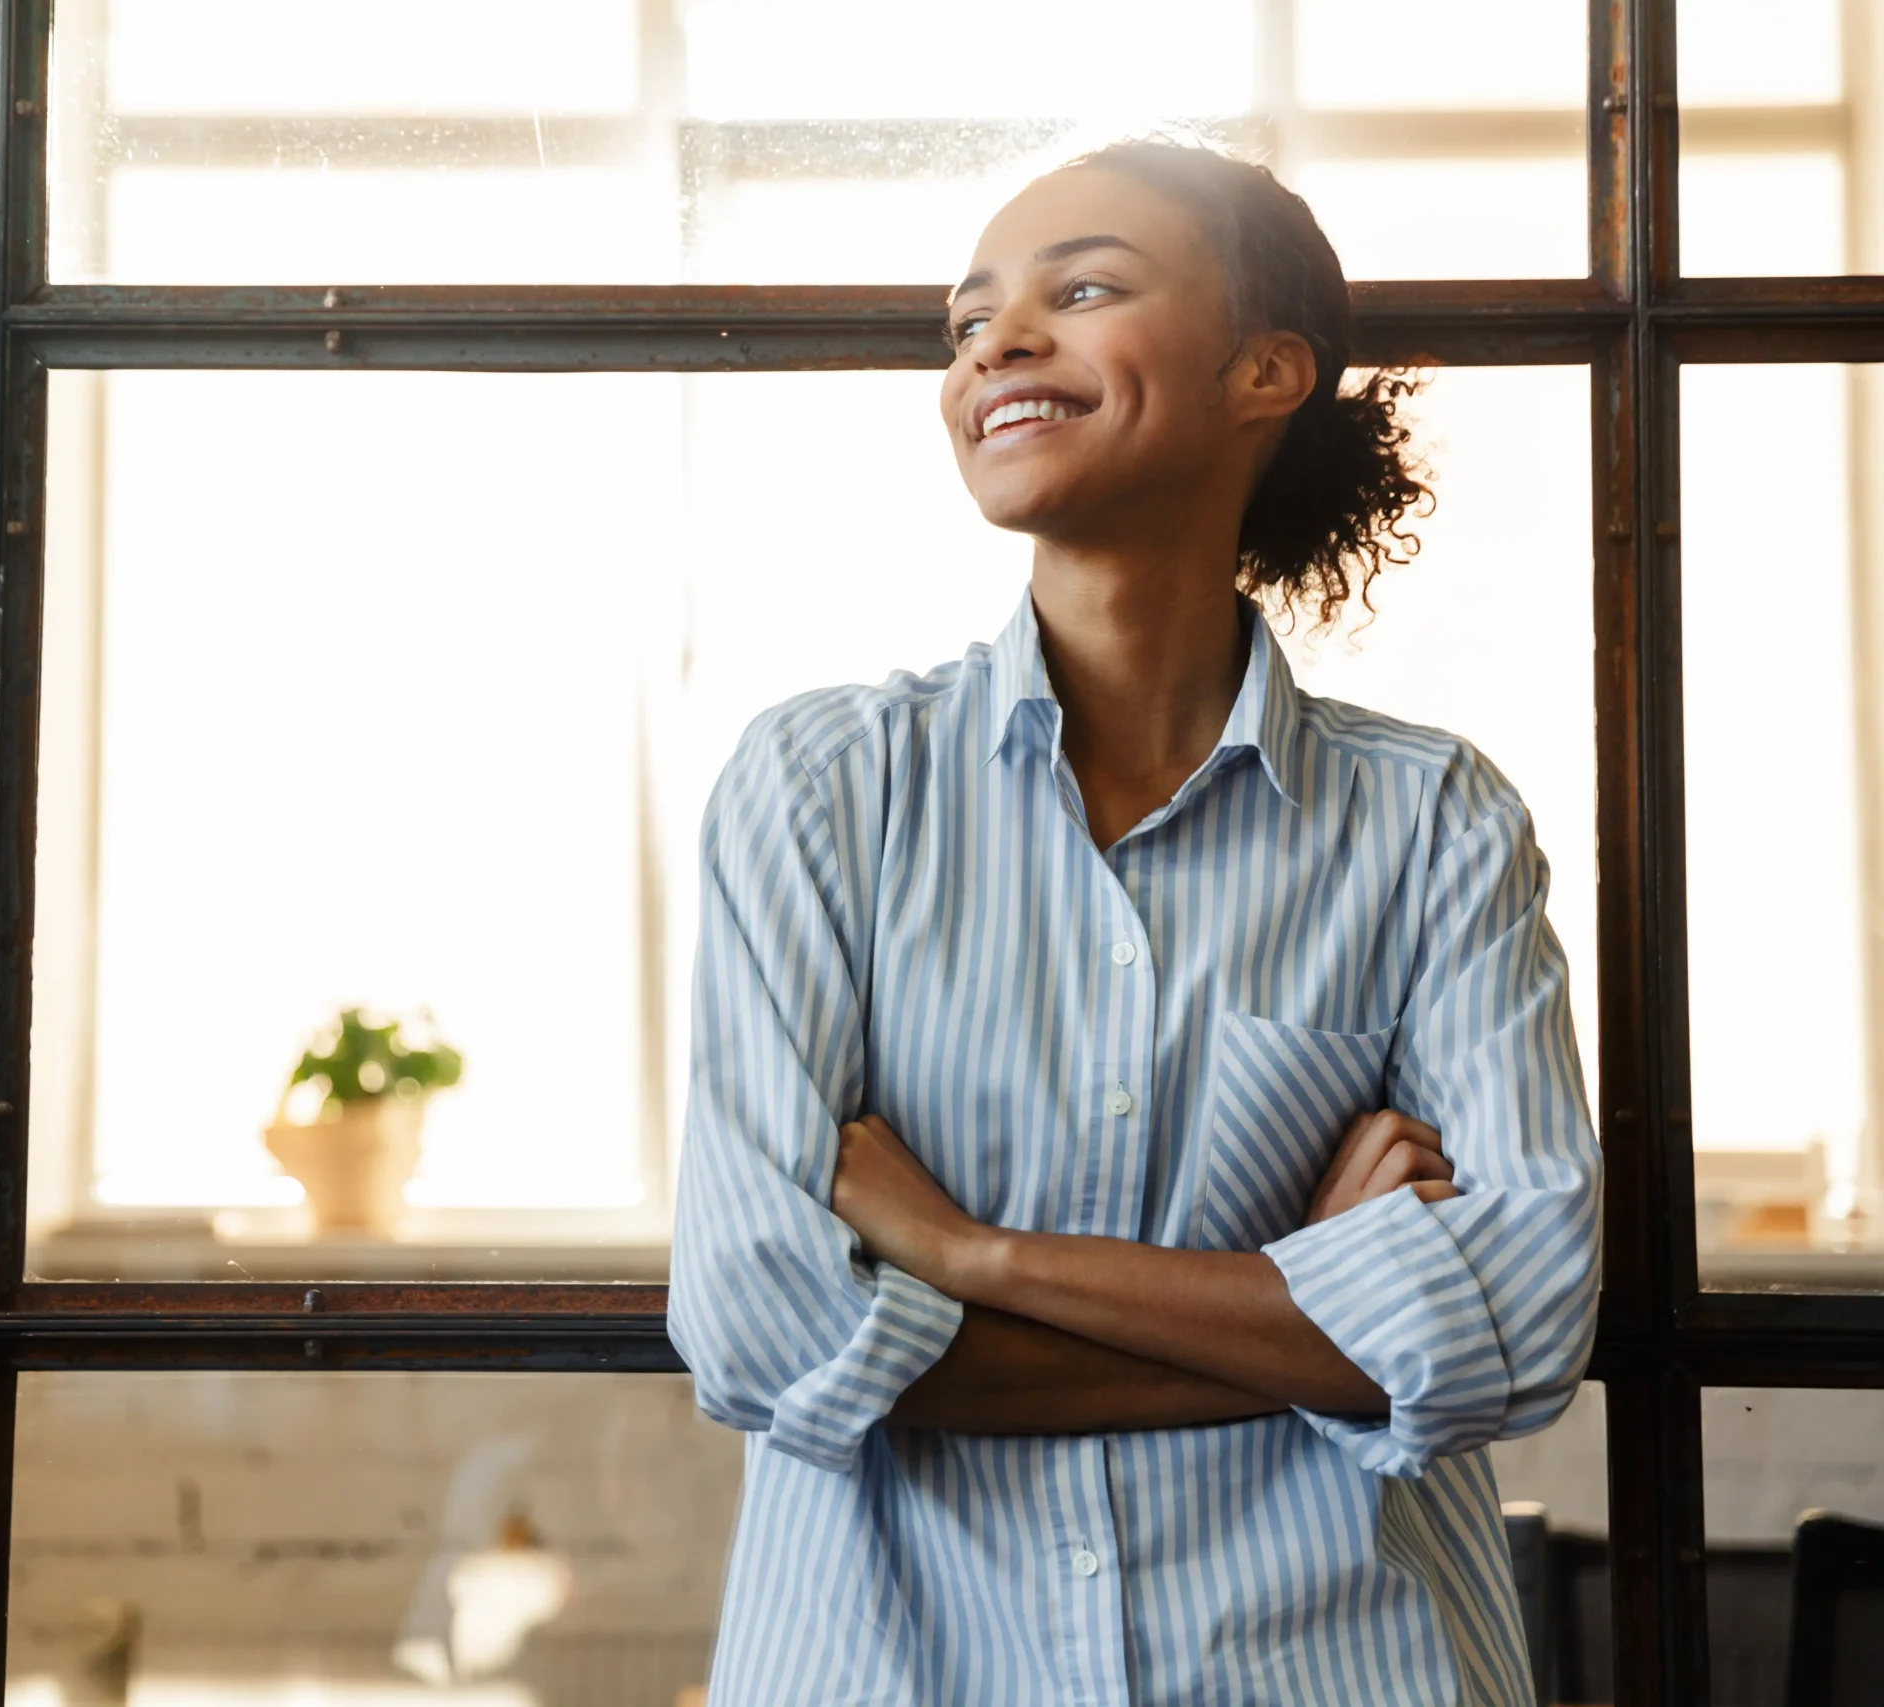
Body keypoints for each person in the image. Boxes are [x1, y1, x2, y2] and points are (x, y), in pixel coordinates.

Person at [666, 137, 1601, 1706]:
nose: (997, 346)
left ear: (1266, 368)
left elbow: (1513, 1327)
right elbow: (766, 1330)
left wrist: (975, 1254)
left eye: (1080, 289)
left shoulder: (1433, 823)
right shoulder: (820, 790)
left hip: (1341, 1664)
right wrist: (1309, 1295)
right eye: (968, 323)